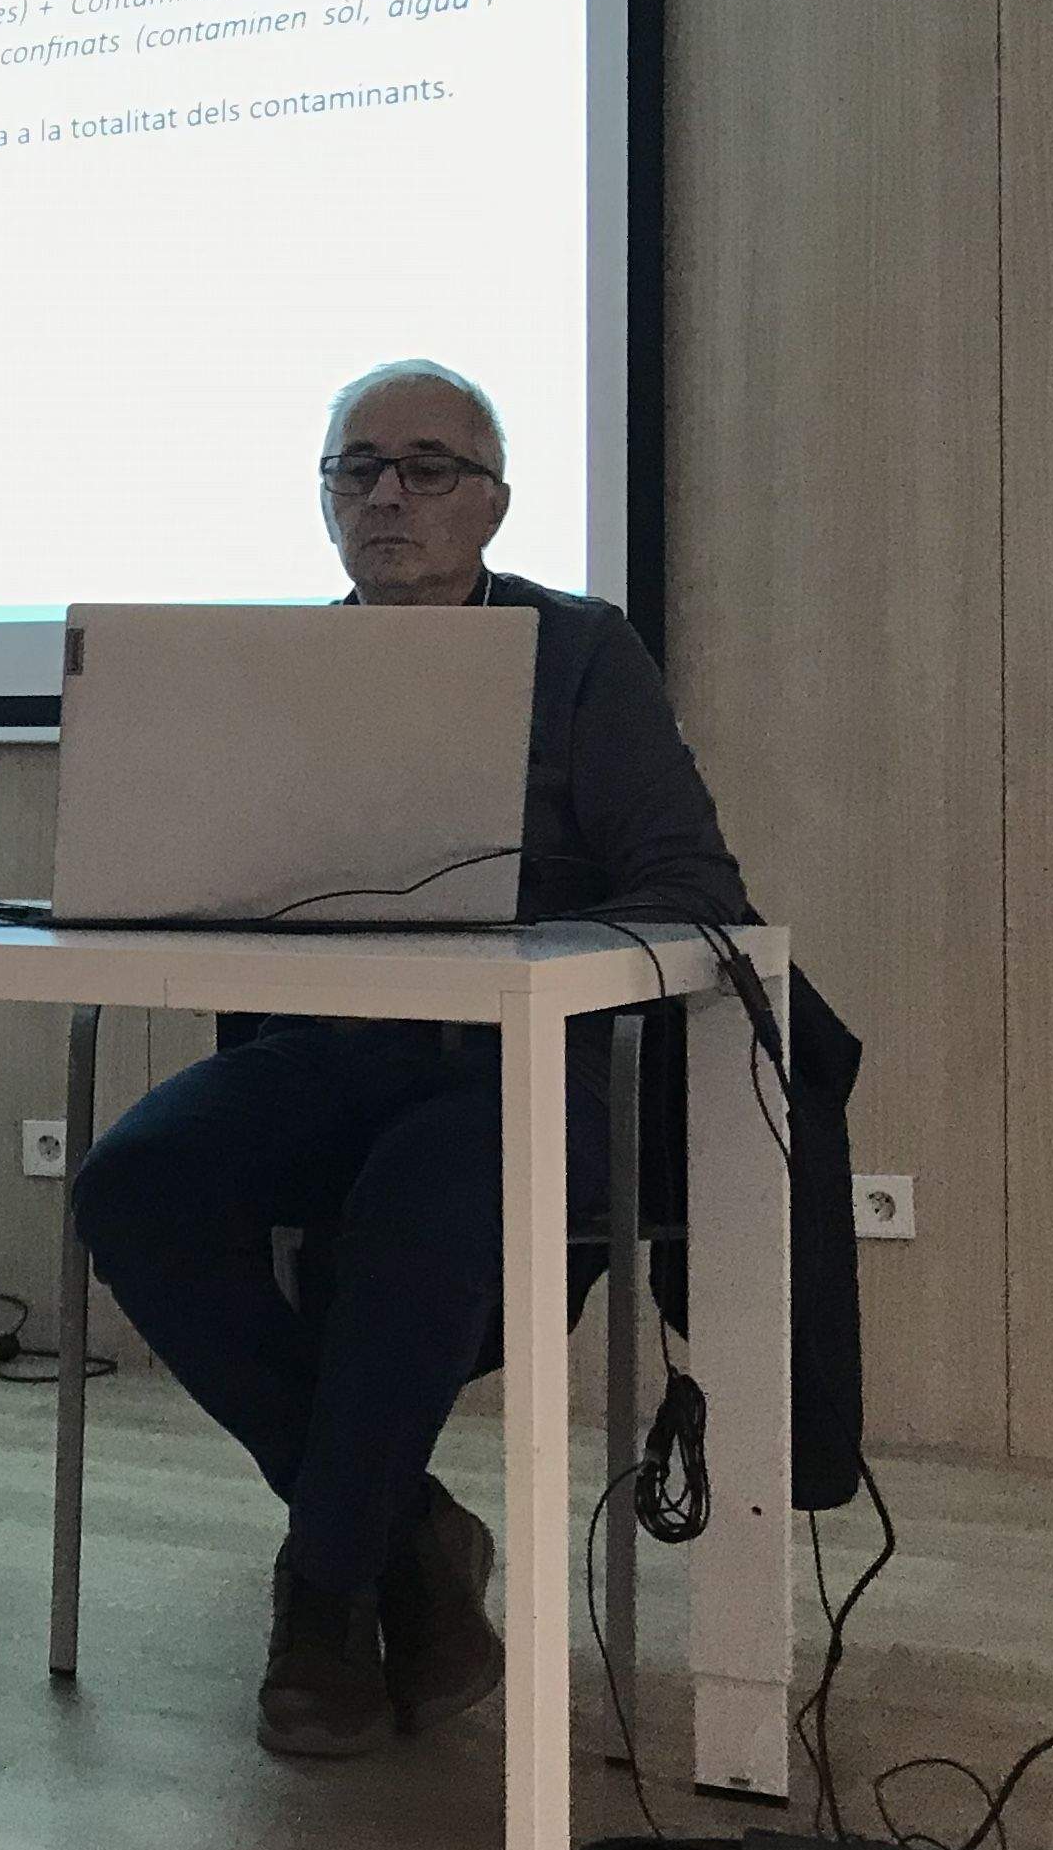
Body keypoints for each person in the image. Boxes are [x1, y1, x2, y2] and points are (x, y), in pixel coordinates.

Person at [70, 361, 750, 1756]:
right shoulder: (288, 671)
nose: (386, 493)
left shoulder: (583, 655)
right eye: (355, 468)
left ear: (493, 504)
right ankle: (408, 1531)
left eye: (426, 468)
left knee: (426, 1188)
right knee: (134, 1179)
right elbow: (232, 883)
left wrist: (505, 932)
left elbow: (695, 890)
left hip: (533, 1058)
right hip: (333, 1050)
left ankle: (325, 1588)